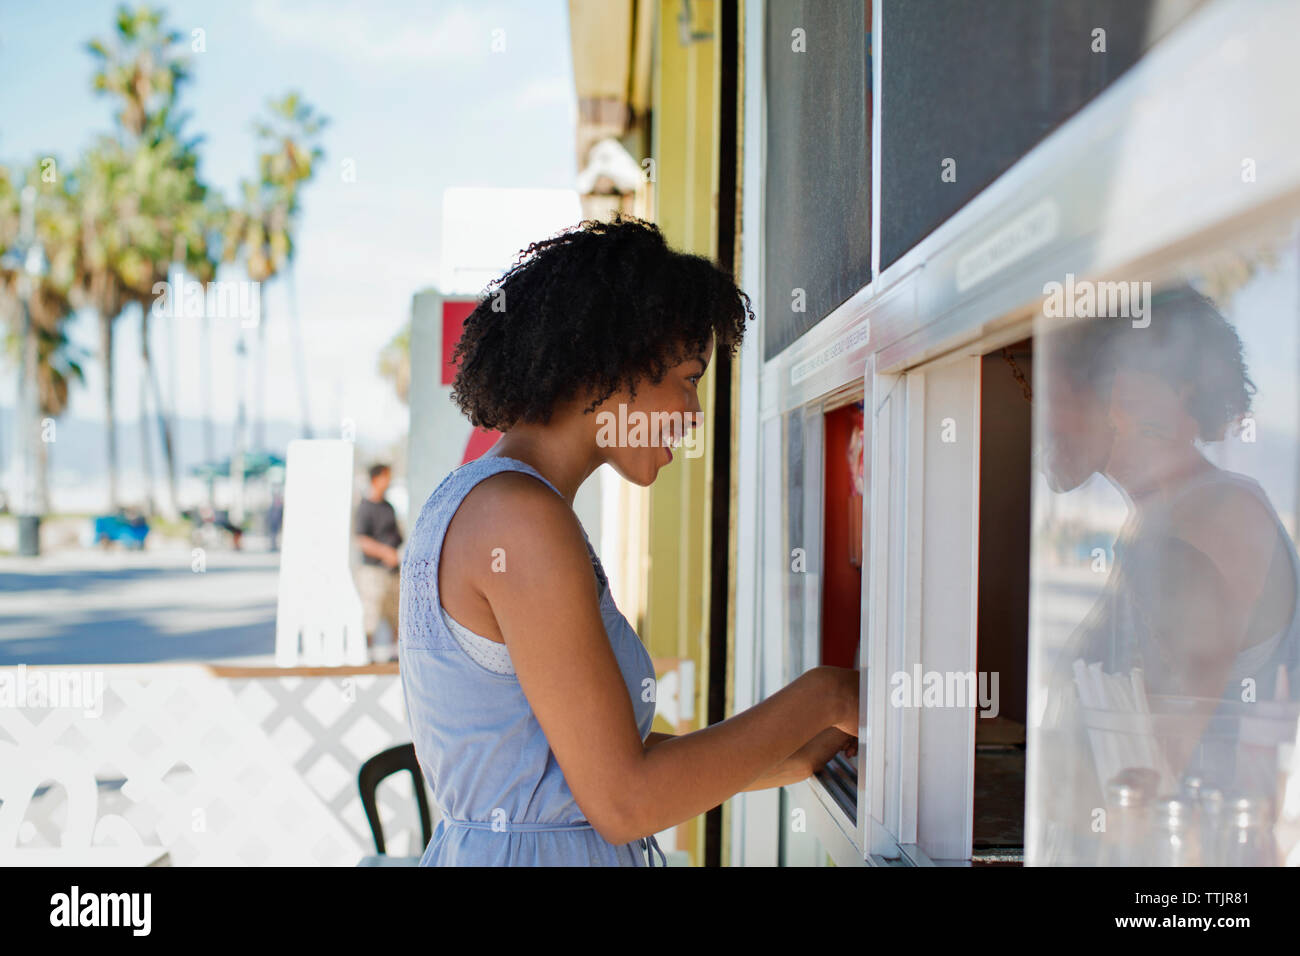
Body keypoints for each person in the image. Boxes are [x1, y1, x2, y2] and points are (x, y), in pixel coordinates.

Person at [400, 215, 859, 866]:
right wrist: (827, 694)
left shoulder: (486, 502)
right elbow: (624, 803)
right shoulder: (519, 520)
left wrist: (806, 746)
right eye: (691, 377)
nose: (695, 414)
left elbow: (611, 769)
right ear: (619, 361)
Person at [1036, 284, 1300, 858]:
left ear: (1122, 387)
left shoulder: (1208, 518)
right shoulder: (1169, 520)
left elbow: (1144, 784)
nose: (1036, 411)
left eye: (1046, 384)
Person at [356, 463, 403, 659]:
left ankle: (395, 651)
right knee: (372, 611)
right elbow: (362, 540)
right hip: (372, 570)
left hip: (392, 570)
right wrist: (384, 552)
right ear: (376, 479)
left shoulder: (388, 507)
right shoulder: (365, 508)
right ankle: (369, 652)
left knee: (396, 611)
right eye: (386, 477)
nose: (389, 481)